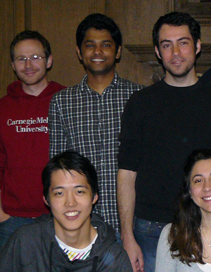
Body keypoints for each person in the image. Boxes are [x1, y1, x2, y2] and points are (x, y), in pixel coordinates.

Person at [116, 12, 211, 272]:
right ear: (157, 51)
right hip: (150, 228)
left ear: (197, 46)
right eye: (166, 44)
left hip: (210, 226)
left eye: (183, 43)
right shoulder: (140, 103)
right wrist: (127, 237)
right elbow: (127, 173)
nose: (175, 52)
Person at [49, 13, 143, 235]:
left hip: (134, 221)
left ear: (118, 51)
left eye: (106, 45)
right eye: (90, 45)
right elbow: (57, 166)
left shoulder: (139, 97)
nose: (98, 52)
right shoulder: (62, 102)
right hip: (82, 221)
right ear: (79, 52)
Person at [0, 30, 66, 249]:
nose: (28, 65)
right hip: (13, 219)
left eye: (36, 57)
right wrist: (0, 212)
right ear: (13, 64)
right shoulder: (1, 109)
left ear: (49, 61)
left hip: (61, 215)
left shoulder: (67, 101)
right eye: (21, 58)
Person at [0, 151, 132, 272]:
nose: (70, 203)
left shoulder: (115, 258)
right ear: (46, 200)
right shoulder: (25, 242)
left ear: (94, 196)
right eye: (59, 193)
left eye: (79, 191)